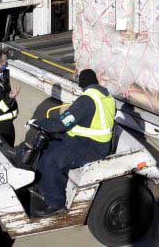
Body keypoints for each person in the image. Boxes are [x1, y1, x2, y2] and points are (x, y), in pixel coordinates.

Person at [32, 69, 116, 217]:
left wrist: (40, 123)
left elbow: (63, 122)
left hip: (91, 147)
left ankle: (55, 203)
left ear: (81, 84)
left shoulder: (87, 100)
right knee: (47, 146)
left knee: (52, 160)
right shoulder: (106, 96)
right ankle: (44, 186)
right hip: (93, 143)